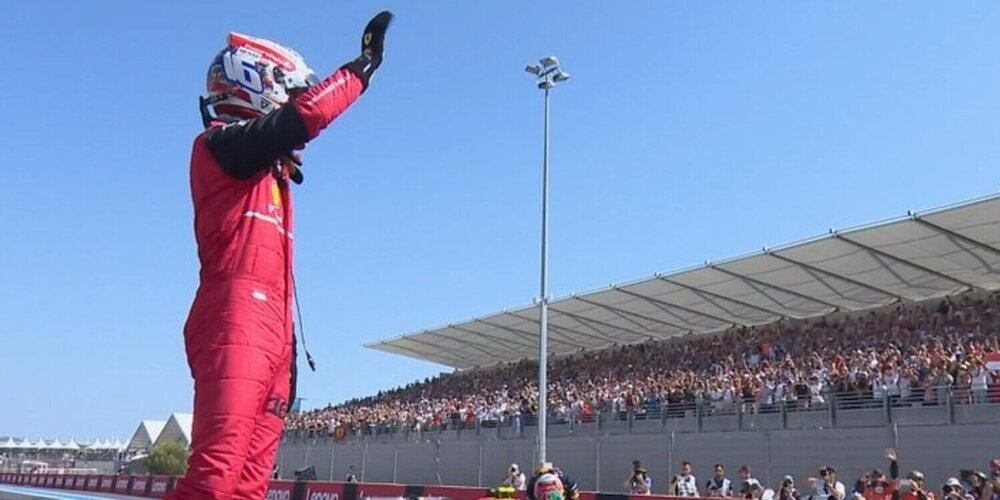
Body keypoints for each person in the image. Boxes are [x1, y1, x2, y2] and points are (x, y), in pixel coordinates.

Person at [167, 11, 393, 500]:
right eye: (291, 91)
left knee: (250, 485)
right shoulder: (217, 148)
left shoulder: (271, 175)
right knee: (214, 477)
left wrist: (286, 361)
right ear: (258, 84)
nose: (296, 101)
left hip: (271, 330)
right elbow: (304, 118)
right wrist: (360, 70)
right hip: (234, 320)